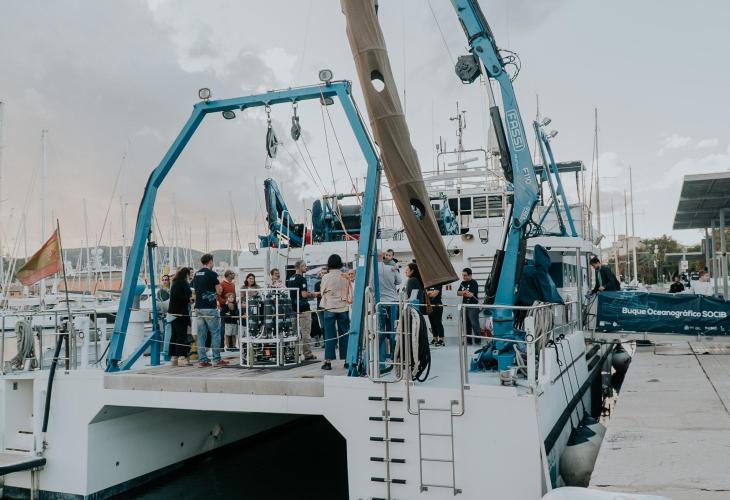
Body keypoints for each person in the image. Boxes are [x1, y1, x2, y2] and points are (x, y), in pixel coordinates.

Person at [192, 254, 229, 367]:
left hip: (198, 307)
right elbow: (219, 291)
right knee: (215, 333)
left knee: (201, 334)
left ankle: (202, 360)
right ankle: (216, 359)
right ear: (210, 262)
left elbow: (194, 289)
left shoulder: (196, 274)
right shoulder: (212, 274)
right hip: (209, 307)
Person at [320, 254, 350, 370]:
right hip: (343, 307)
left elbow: (322, 291)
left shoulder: (326, 277)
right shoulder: (345, 276)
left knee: (329, 335)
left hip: (330, 307)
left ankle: (328, 362)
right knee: (344, 334)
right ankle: (347, 360)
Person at [375, 250, 402, 366]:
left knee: (380, 330)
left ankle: (379, 356)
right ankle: (393, 356)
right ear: (383, 257)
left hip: (379, 304)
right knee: (393, 330)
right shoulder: (391, 268)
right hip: (392, 303)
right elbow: (399, 281)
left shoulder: (372, 270)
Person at [287, 260, 317, 361]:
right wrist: (313, 294)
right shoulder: (302, 279)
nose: (306, 267)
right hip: (303, 309)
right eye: (304, 266)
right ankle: (307, 354)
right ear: (299, 267)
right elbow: (303, 295)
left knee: (293, 332)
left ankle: (293, 354)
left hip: (293, 308)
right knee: (305, 332)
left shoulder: (290, 278)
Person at [168, 267, 193, 366]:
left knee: (174, 335)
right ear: (186, 275)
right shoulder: (183, 283)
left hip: (172, 313)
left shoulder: (175, 283)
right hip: (180, 313)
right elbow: (183, 296)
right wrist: (189, 299)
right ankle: (182, 357)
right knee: (181, 335)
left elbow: (175, 296)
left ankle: (174, 357)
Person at [457, 268, 481, 345]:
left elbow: (471, 295)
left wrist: (463, 293)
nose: (463, 277)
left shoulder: (474, 282)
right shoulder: (462, 283)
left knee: (474, 323)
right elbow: (458, 293)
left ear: (470, 275)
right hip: (464, 306)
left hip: (472, 306)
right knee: (466, 323)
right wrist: (464, 292)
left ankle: (478, 340)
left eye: (465, 275)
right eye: (463, 275)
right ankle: (468, 340)